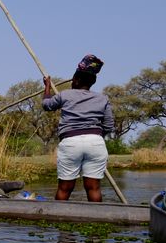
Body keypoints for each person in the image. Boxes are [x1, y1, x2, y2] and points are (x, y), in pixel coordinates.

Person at [42, 54, 113, 202]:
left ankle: (58, 218)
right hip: (95, 142)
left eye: (73, 79)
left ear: (76, 80)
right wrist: (96, 136)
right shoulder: (102, 99)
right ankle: (97, 220)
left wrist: (47, 87)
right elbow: (108, 125)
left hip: (71, 143)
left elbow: (47, 105)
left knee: (64, 188)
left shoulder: (65, 95)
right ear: (92, 82)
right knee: (93, 187)